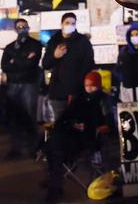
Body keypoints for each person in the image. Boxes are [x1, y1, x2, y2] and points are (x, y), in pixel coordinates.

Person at [44, 71, 112, 202]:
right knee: (53, 145)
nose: (89, 89)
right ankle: (54, 183)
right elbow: (67, 116)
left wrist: (90, 128)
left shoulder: (103, 99)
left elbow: (109, 124)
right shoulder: (79, 98)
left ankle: (55, 186)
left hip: (89, 138)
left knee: (56, 150)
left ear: (98, 86)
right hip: (72, 134)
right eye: (87, 86)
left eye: (93, 86)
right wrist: (72, 124)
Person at [1, 18, 42, 158]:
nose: (22, 28)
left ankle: (33, 148)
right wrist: (24, 59)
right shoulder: (10, 47)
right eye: (19, 26)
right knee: (15, 118)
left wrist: (15, 61)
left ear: (28, 27)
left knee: (30, 117)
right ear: (15, 29)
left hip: (29, 84)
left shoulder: (36, 45)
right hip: (13, 85)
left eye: (24, 26)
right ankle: (16, 148)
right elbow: (5, 66)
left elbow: (31, 64)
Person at [42, 12, 94, 122]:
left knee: (77, 123)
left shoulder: (82, 41)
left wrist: (78, 85)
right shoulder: (54, 41)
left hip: (77, 90)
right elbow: (45, 64)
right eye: (67, 23)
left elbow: (89, 64)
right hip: (58, 92)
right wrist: (55, 56)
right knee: (60, 123)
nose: (70, 25)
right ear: (61, 24)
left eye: (73, 23)